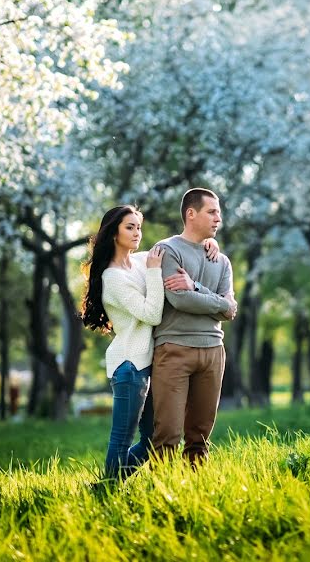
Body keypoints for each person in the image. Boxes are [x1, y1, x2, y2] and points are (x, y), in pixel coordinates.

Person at [80, 205, 218, 479]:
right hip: (130, 367)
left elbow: (181, 245)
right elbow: (152, 314)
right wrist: (155, 273)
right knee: (121, 439)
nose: (137, 233)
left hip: (150, 365)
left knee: (154, 439)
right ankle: (107, 491)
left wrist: (208, 242)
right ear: (113, 233)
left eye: (138, 227)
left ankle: (105, 487)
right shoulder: (113, 278)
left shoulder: (142, 261)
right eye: (129, 227)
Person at [151, 188, 238, 466]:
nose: (218, 219)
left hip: (213, 352)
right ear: (191, 213)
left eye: (219, 214)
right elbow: (179, 299)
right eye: (212, 212)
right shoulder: (167, 250)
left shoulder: (222, 260)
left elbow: (231, 309)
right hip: (174, 350)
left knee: (200, 438)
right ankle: (158, 499)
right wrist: (217, 302)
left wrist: (196, 287)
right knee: (168, 435)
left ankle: (195, 495)